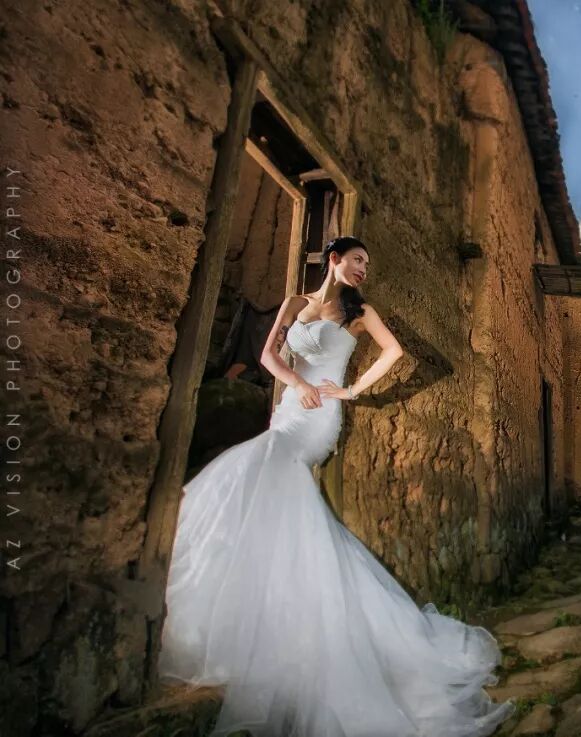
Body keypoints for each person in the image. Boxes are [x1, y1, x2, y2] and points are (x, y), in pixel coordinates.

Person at [159, 236, 514, 737]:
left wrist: (349, 391)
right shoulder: (295, 303)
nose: (364, 268)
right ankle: (268, 620)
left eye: (368, 263)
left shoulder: (359, 312)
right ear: (335, 260)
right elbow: (268, 357)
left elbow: (394, 352)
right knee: (271, 487)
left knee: (266, 463)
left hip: (321, 417)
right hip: (291, 406)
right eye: (357, 260)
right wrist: (298, 384)